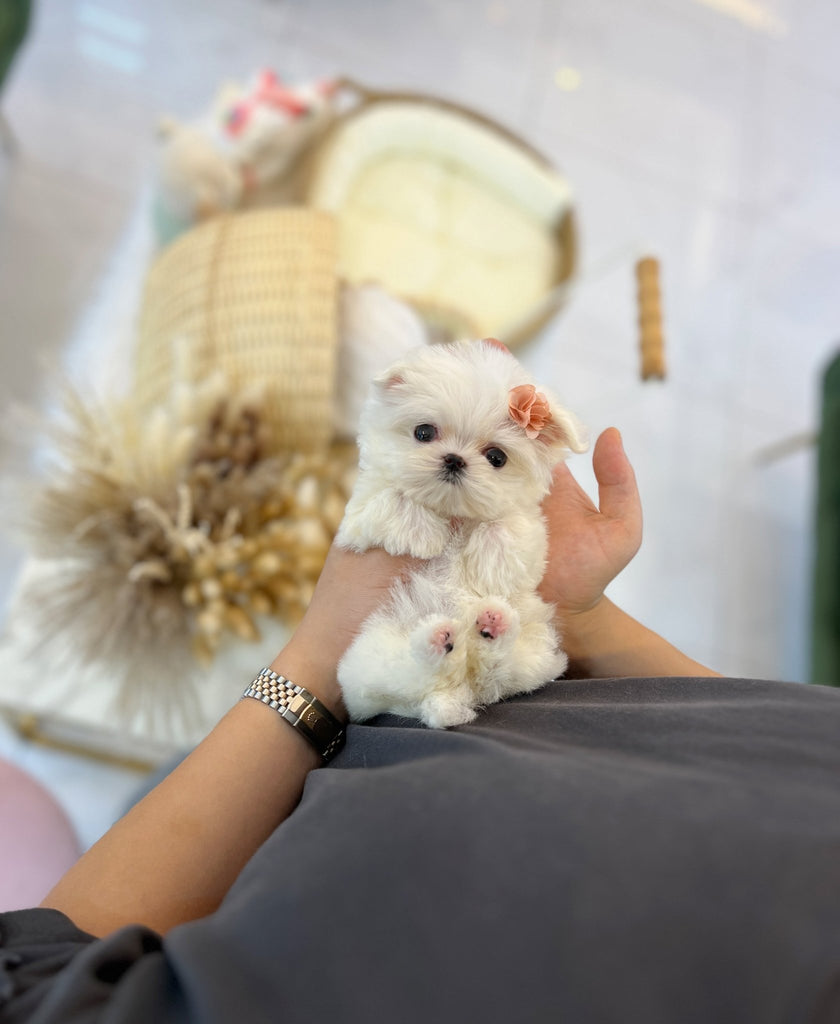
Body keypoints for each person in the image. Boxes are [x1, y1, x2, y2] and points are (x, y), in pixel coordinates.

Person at [2, 428, 839, 1024]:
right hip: (338, 742)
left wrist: (321, 653)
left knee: (145, 804)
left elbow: (42, 978)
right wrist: (585, 618)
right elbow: (776, 750)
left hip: (283, 782)